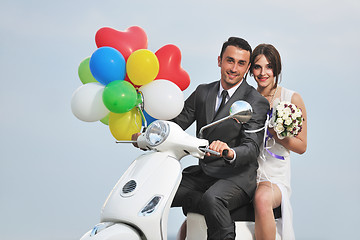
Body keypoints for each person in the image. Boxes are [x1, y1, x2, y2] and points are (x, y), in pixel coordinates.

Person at [170, 37, 269, 240]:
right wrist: (148, 131)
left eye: (241, 63)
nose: (234, 68)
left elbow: (251, 148)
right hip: (204, 173)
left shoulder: (255, 101)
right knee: (161, 189)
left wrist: (230, 151)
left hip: (237, 177)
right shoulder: (203, 92)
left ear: (248, 67)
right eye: (229, 60)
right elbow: (176, 124)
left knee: (212, 199)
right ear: (219, 60)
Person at [249, 44, 307, 240]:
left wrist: (277, 133)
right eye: (257, 67)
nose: (263, 73)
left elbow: (302, 146)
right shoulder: (247, 98)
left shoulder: (291, 98)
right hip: (246, 172)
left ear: (277, 69)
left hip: (274, 177)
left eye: (269, 67)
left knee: (262, 197)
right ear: (251, 70)